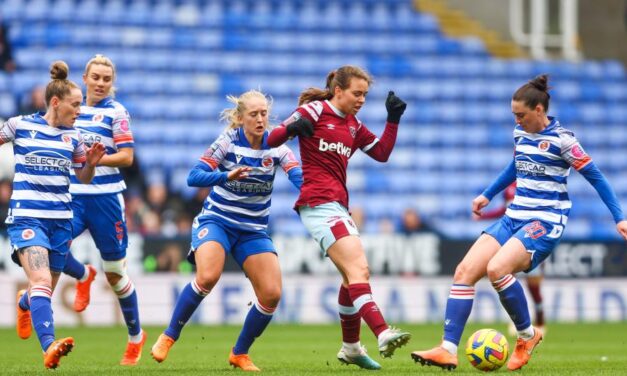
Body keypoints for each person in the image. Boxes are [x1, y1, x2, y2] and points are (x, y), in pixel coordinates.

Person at [411, 74, 627, 371]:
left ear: (539, 110)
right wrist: (488, 194)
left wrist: (620, 217)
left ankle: (526, 336)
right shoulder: (520, 132)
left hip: (545, 220)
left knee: (497, 269)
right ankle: (448, 349)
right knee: (464, 271)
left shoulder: (564, 141)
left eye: (521, 114)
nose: (517, 119)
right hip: (513, 216)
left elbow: (597, 178)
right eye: (514, 115)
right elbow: (516, 164)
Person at [266, 65, 410, 370]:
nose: (361, 100)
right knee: (360, 269)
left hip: (336, 206)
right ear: (338, 90)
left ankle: (351, 348)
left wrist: (393, 120)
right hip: (318, 203)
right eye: (357, 94)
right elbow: (271, 139)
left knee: (350, 277)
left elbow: (382, 153)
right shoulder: (315, 110)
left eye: (365, 95)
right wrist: (292, 128)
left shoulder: (354, 125)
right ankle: (383, 332)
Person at [150, 90, 303, 371]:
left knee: (271, 294)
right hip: (217, 220)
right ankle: (169, 336)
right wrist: (225, 175)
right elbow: (193, 177)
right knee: (208, 276)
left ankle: (239, 353)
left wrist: (316, 197)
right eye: (253, 114)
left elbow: (299, 178)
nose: (260, 119)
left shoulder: (278, 147)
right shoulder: (228, 141)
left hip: (253, 230)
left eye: (264, 113)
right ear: (240, 117)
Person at [3, 60, 105, 369]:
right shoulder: (20, 125)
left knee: (42, 288)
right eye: (75, 105)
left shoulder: (73, 138)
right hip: (26, 218)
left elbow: (82, 176)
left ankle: (25, 302)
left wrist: (92, 163)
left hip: (61, 221)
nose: (79, 111)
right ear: (56, 103)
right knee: (43, 279)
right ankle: (50, 346)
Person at [59, 55, 146, 366]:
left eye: (106, 79)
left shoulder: (117, 113)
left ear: (112, 83)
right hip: (72, 194)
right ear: (85, 77)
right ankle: (83, 275)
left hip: (106, 197)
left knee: (116, 274)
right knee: (52, 249)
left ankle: (136, 337)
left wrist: (97, 161)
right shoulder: (72, 108)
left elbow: (127, 157)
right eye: (95, 77)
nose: (100, 83)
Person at [474, 182, 546, 334]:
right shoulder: (508, 188)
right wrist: (484, 216)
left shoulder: (536, 183)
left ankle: (540, 321)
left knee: (534, 287)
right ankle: (518, 323)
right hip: (511, 240)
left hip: (532, 239)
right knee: (507, 282)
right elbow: (505, 211)